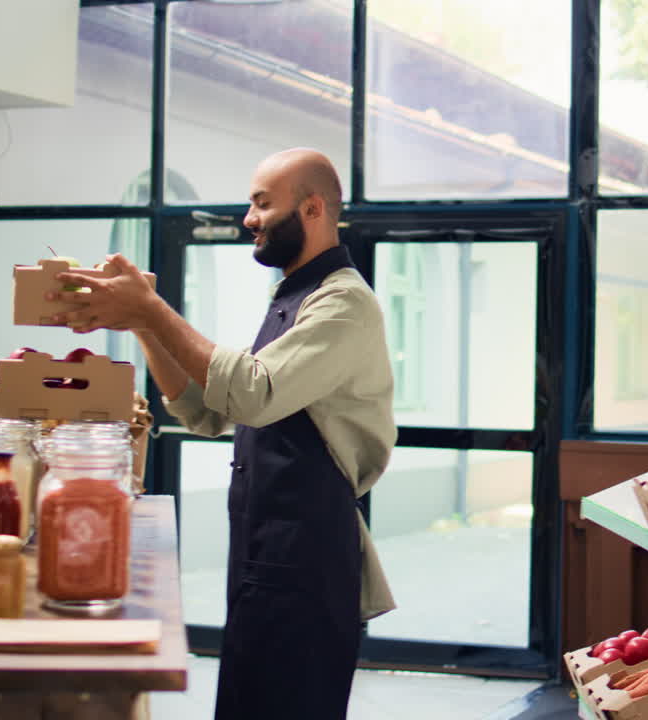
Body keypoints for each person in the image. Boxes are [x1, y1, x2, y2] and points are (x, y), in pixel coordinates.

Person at [49, 148, 396, 720]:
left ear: (312, 209)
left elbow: (250, 393)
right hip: (265, 558)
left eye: (262, 203)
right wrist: (141, 324)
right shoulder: (292, 298)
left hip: (308, 565)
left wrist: (154, 309)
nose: (248, 219)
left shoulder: (344, 304)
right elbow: (204, 412)